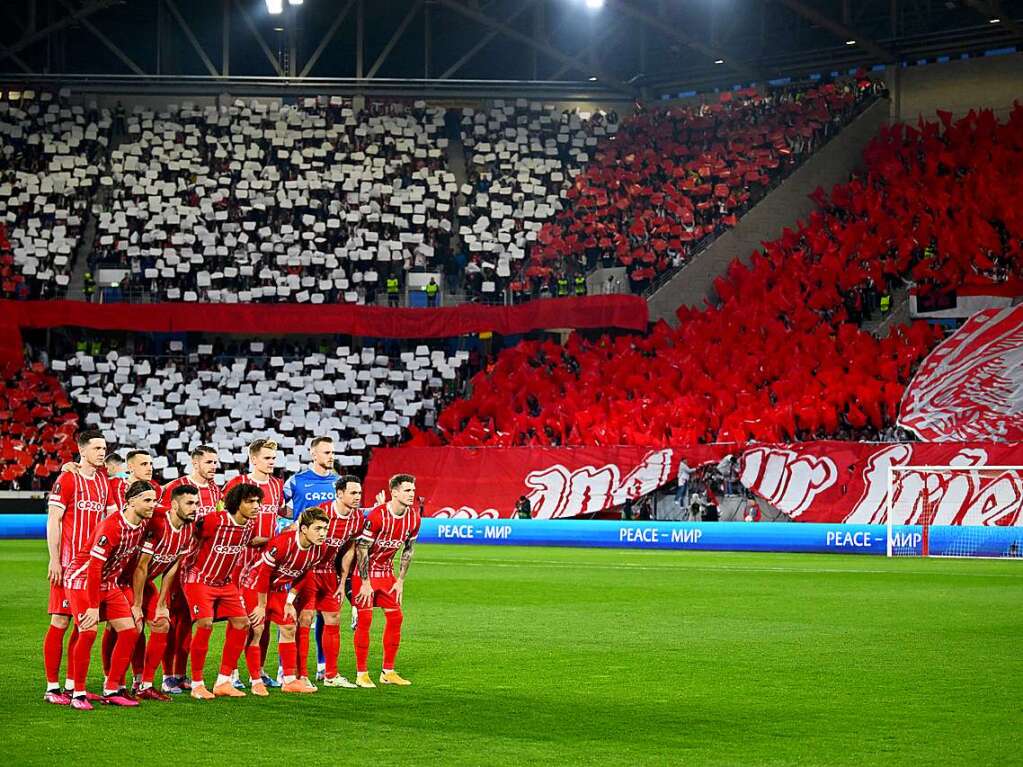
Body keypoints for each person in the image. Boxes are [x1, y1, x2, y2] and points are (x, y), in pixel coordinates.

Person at [63, 480, 157, 710]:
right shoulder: (112, 526)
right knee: (88, 632)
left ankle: (112, 688)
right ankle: (77, 693)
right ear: (131, 501)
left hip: (109, 582)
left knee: (129, 631)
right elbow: (94, 567)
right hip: (82, 580)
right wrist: (94, 607)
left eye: (154, 500)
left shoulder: (141, 525)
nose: (152, 505)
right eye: (147, 500)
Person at [43, 429, 116, 706]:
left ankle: (73, 684)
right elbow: (55, 520)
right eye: (96, 448)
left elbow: (110, 519)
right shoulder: (68, 478)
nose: (101, 452)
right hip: (67, 564)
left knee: (84, 623)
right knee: (60, 621)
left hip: (92, 567)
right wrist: (54, 558)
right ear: (82, 450)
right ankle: (52, 687)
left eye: (104, 448)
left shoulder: (102, 481)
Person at [179, 482, 261, 700]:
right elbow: (191, 535)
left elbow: (249, 543)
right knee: (205, 623)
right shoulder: (214, 521)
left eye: (258, 501)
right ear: (236, 503)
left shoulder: (249, 526)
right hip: (199, 578)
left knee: (242, 623)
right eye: (250, 501)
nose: (256, 506)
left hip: (225, 583)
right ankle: (197, 683)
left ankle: (223, 681)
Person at [240, 507, 330, 695]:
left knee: (289, 626)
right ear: (304, 529)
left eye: (325, 529)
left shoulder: (320, 549)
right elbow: (263, 574)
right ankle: (256, 680)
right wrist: (261, 606)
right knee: (257, 630)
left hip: (280, 590)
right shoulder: (282, 543)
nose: (323, 534)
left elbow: (303, 574)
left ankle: (289, 680)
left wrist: (290, 601)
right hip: (255, 587)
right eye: (318, 529)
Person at [157, 444, 221, 692]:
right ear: (195, 463)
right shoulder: (177, 487)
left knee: (187, 621)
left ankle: (180, 673)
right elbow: (163, 516)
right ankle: (166, 675)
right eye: (209, 462)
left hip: (201, 567)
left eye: (215, 462)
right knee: (172, 620)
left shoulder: (216, 491)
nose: (214, 467)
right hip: (178, 562)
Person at [129, 484, 199, 701]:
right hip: (124, 581)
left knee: (161, 623)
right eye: (189, 503)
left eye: (196, 503)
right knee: (126, 628)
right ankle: (115, 683)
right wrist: (137, 604)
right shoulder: (158, 524)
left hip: (146, 582)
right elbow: (140, 567)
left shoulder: (188, 528)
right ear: (174, 504)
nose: (195, 508)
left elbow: (172, 568)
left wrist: (161, 603)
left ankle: (146, 684)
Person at [352, 473, 420, 688]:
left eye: (413, 490)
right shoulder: (377, 516)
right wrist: (364, 582)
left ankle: (388, 671)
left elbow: (408, 550)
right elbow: (361, 548)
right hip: (364, 574)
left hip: (387, 575)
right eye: (407, 490)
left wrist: (400, 580)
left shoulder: (414, 518)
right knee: (365, 622)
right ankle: (361, 673)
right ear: (395, 492)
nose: (412, 494)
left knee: (396, 618)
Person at [295, 476, 364, 688]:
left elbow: (348, 550)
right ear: (339, 493)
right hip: (308, 571)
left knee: (333, 619)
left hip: (329, 574)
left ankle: (331, 675)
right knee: (305, 620)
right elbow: (298, 536)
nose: (357, 497)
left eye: (359, 493)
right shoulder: (320, 513)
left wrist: (343, 582)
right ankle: (301, 675)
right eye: (353, 493)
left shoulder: (357, 518)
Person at [281, 436, 339, 681]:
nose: (331, 456)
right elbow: (276, 509)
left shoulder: (339, 482)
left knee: (325, 615)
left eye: (332, 452)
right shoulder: (296, 481)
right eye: (326, 452)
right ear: (313, 454)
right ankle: (286, 668)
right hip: (300, 559)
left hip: (328, 561)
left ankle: (322, 665)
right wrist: (291, 524)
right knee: (294, 613)